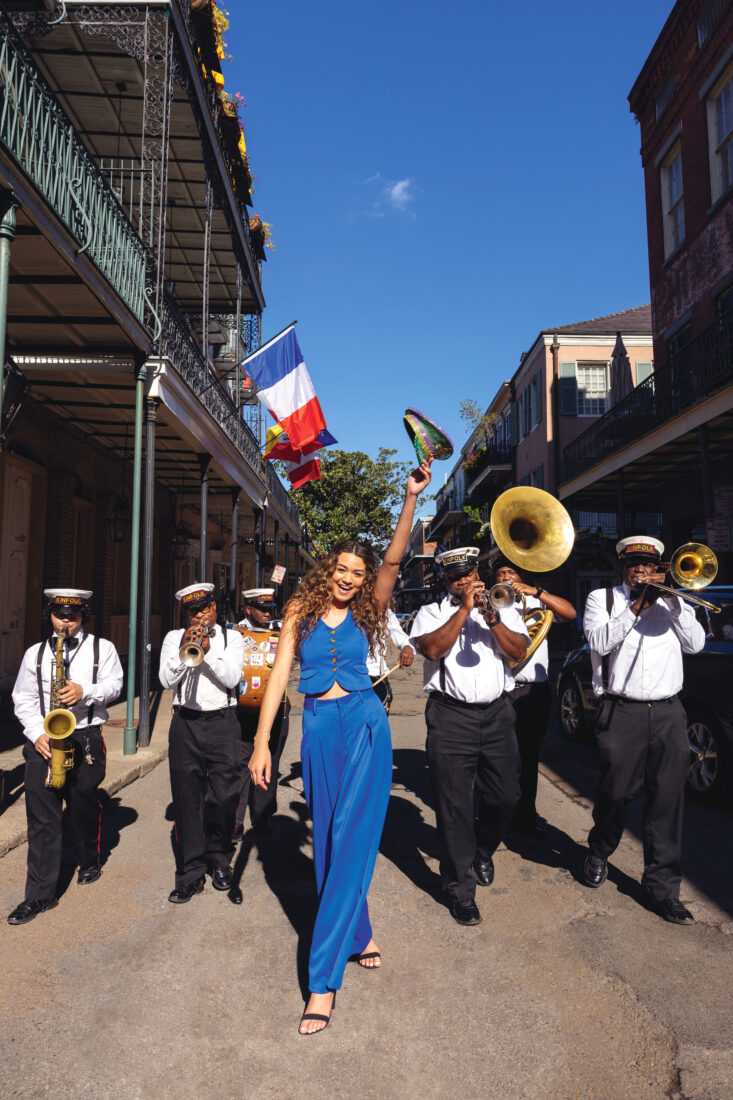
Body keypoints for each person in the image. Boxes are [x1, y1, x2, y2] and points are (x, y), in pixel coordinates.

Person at [249, 460, 432, 1035]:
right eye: (344, 569)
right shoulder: (299, 611)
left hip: (366, 724)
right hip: (319, 728)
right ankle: (359, 933)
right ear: (328, 569)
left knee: (352, 835)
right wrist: (262, 745)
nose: (351, 578)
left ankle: (322, 981)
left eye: (360, 571)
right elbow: (278, 677)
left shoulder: (369, 608)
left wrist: (409, 500)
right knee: (329, 837)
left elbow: (396, 559)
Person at [581, 536, 705, 925]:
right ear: (623, 567)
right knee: (615, 794)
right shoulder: (603, 600)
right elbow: (598, 641)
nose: (641, 570)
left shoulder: (674, 602)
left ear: (658, 567)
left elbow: (697, 644)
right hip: (622, 711)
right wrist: (638, 606)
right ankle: (600, 848)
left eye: (648, 565)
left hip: (669, 712)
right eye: (634, 564)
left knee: (667, 803)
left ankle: (661, 890)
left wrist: (671, 602)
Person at [409, 548, 528, 927]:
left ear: (477, 571)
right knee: (454, 807)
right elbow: (429, 649)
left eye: (467, 574)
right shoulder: (432, 612)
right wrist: (463, 611)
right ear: (445, 580)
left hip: (497, 713)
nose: (462, 582)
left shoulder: (502, 605)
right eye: (453, 577)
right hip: (450, 716)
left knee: (507, 795)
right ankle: (461, 891)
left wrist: (491, 618)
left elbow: (519, 650)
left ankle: (482, 850)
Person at [8, 588, 124, 925]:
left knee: (82, 806)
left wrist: (85, 691)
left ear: (83, 616)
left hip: (86, 737)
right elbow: (23, 699)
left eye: (73, 616)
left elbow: (115, 685)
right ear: (51, 616)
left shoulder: (104, 648)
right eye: (60, 615)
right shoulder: (36, 654)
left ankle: (88, 859)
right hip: (45, 740)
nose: (66, 622)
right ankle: (39, 895)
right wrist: (36, 733)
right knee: (42, 819)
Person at [159, 583, 245, 903]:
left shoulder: (232, 638)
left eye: (205, 609)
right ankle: (191, 873)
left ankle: (220, 858)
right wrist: (186, 652)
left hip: (223, 722)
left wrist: (207, 654)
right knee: (187, 800)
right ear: (187, 614)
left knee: (225, 797)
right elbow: (166, 681)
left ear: (214, 607)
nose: (200, 616)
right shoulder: (173, 638)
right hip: (185, 724)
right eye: (194, 612)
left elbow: (233, 678)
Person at [492, 558, 576, 836]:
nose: (505, 576)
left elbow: (571, 613)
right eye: (500, 573)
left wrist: (537, 592)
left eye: (511, 572)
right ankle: (495, 814)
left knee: (529, 757)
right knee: (499, 759)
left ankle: (526, 815)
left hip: (533, 690)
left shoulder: (537, 603)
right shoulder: (490, 603)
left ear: (521, 576)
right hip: (502, 690)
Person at [233, 587, 289, 839]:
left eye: (270, 609)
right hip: (243, 708)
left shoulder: (282, 632)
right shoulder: (234, 633)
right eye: (261, 609)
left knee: (270, 762)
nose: (267, 613)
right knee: (240, 765)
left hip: (275, 707)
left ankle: (263, 814)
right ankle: (235, 820)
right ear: (248, 609)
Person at [367, 607, 415, 714]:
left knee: (376, 729)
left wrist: (407, 647)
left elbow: (403, 639)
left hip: (377, 678)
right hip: (346, 681)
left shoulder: (384, 613)